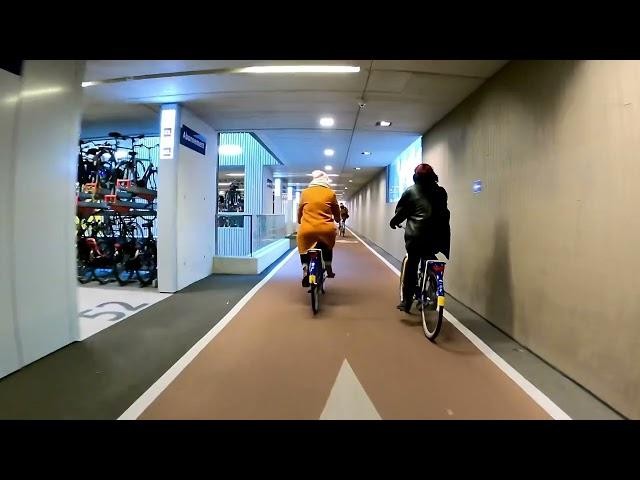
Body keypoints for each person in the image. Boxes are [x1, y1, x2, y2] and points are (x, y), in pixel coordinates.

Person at [389, 163, 451, 312]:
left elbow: (401, 212)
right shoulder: (441, 191)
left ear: (415, 176)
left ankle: (407, 301)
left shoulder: (411, 191)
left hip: (417, 237)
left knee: (412, 264)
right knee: (430, 255)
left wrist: (394, 222)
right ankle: (435, 285)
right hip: (438, 236)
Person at [297, 170, 341, 287]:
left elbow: (300, 209)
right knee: (327, 245)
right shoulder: (330, 193)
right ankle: (328, 266)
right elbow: (336, 210)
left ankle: (306, 268)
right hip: (325, 229)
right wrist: (337, 219)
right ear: (325, 181)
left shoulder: (305, 192)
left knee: (303, 246)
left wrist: (299, 220)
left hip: (307, 229)